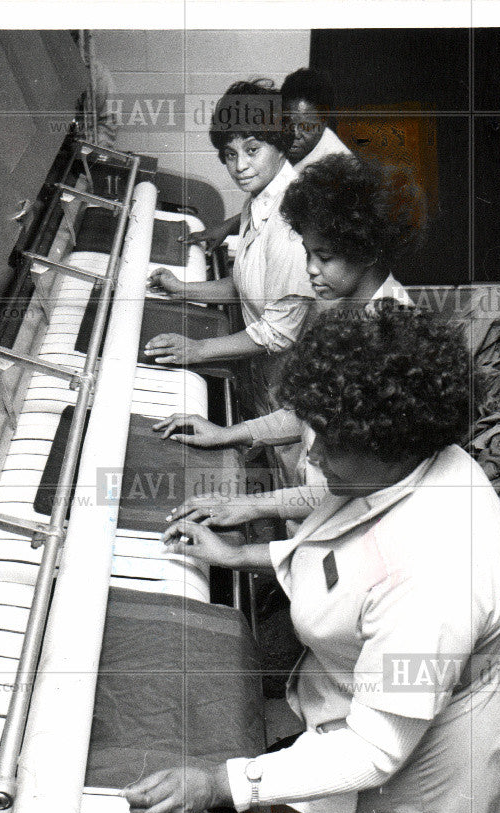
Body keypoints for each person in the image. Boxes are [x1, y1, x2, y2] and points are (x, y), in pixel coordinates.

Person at [125, 302, 500, 813]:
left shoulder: (436, 570)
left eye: (332, 444)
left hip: (423, 752)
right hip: (365, 699)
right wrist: (239, 554)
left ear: (391, 443)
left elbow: (376, 746)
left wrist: (219, 783)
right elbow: (341, 545)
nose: (313, 455)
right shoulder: (399, 467)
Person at [154, 153, 427, 516]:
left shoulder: (389, 341)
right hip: (309, 498)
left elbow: (353, 494)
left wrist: (249, 509)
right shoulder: (339, 304)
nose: (310, 270)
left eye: (324, 258)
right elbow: (308, 413)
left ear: (366, 251)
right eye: (308, 253)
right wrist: (227, 432)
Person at [143, 80, 314, 431]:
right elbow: (248, 285)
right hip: (268, 375)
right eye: (231, 155)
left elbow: (279, 333)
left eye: (253, 150)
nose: (240, 166)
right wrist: (183, 289)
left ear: (280, 145)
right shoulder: (259, 199)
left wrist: (198, 349)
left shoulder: (291, 222)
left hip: (297, 387)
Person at [183, 68, 350, 253]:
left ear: (324, 122)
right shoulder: (283, 142)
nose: (294, 134)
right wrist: (226, 227)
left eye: (306, 127)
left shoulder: (339, 170)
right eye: (290, 123)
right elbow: (269, 200)